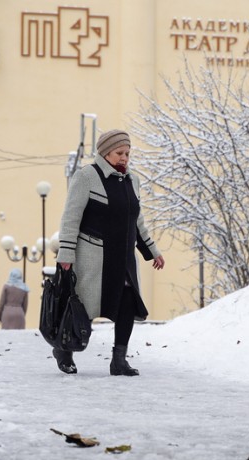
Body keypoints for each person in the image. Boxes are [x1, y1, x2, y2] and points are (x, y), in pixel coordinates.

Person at [54, 129, 165, 376]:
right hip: (92, 257)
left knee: (127, 303)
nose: (124, 158)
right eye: (119, 153)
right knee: (81, 308)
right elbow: (71, 218)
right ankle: (65, 350)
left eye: (127, 153)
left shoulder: (131, 181)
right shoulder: (86, 177)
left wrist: (153, 251)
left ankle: (119, 360)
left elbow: (138, 222)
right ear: (105, 153)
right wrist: (66, 254)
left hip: (123, 257)